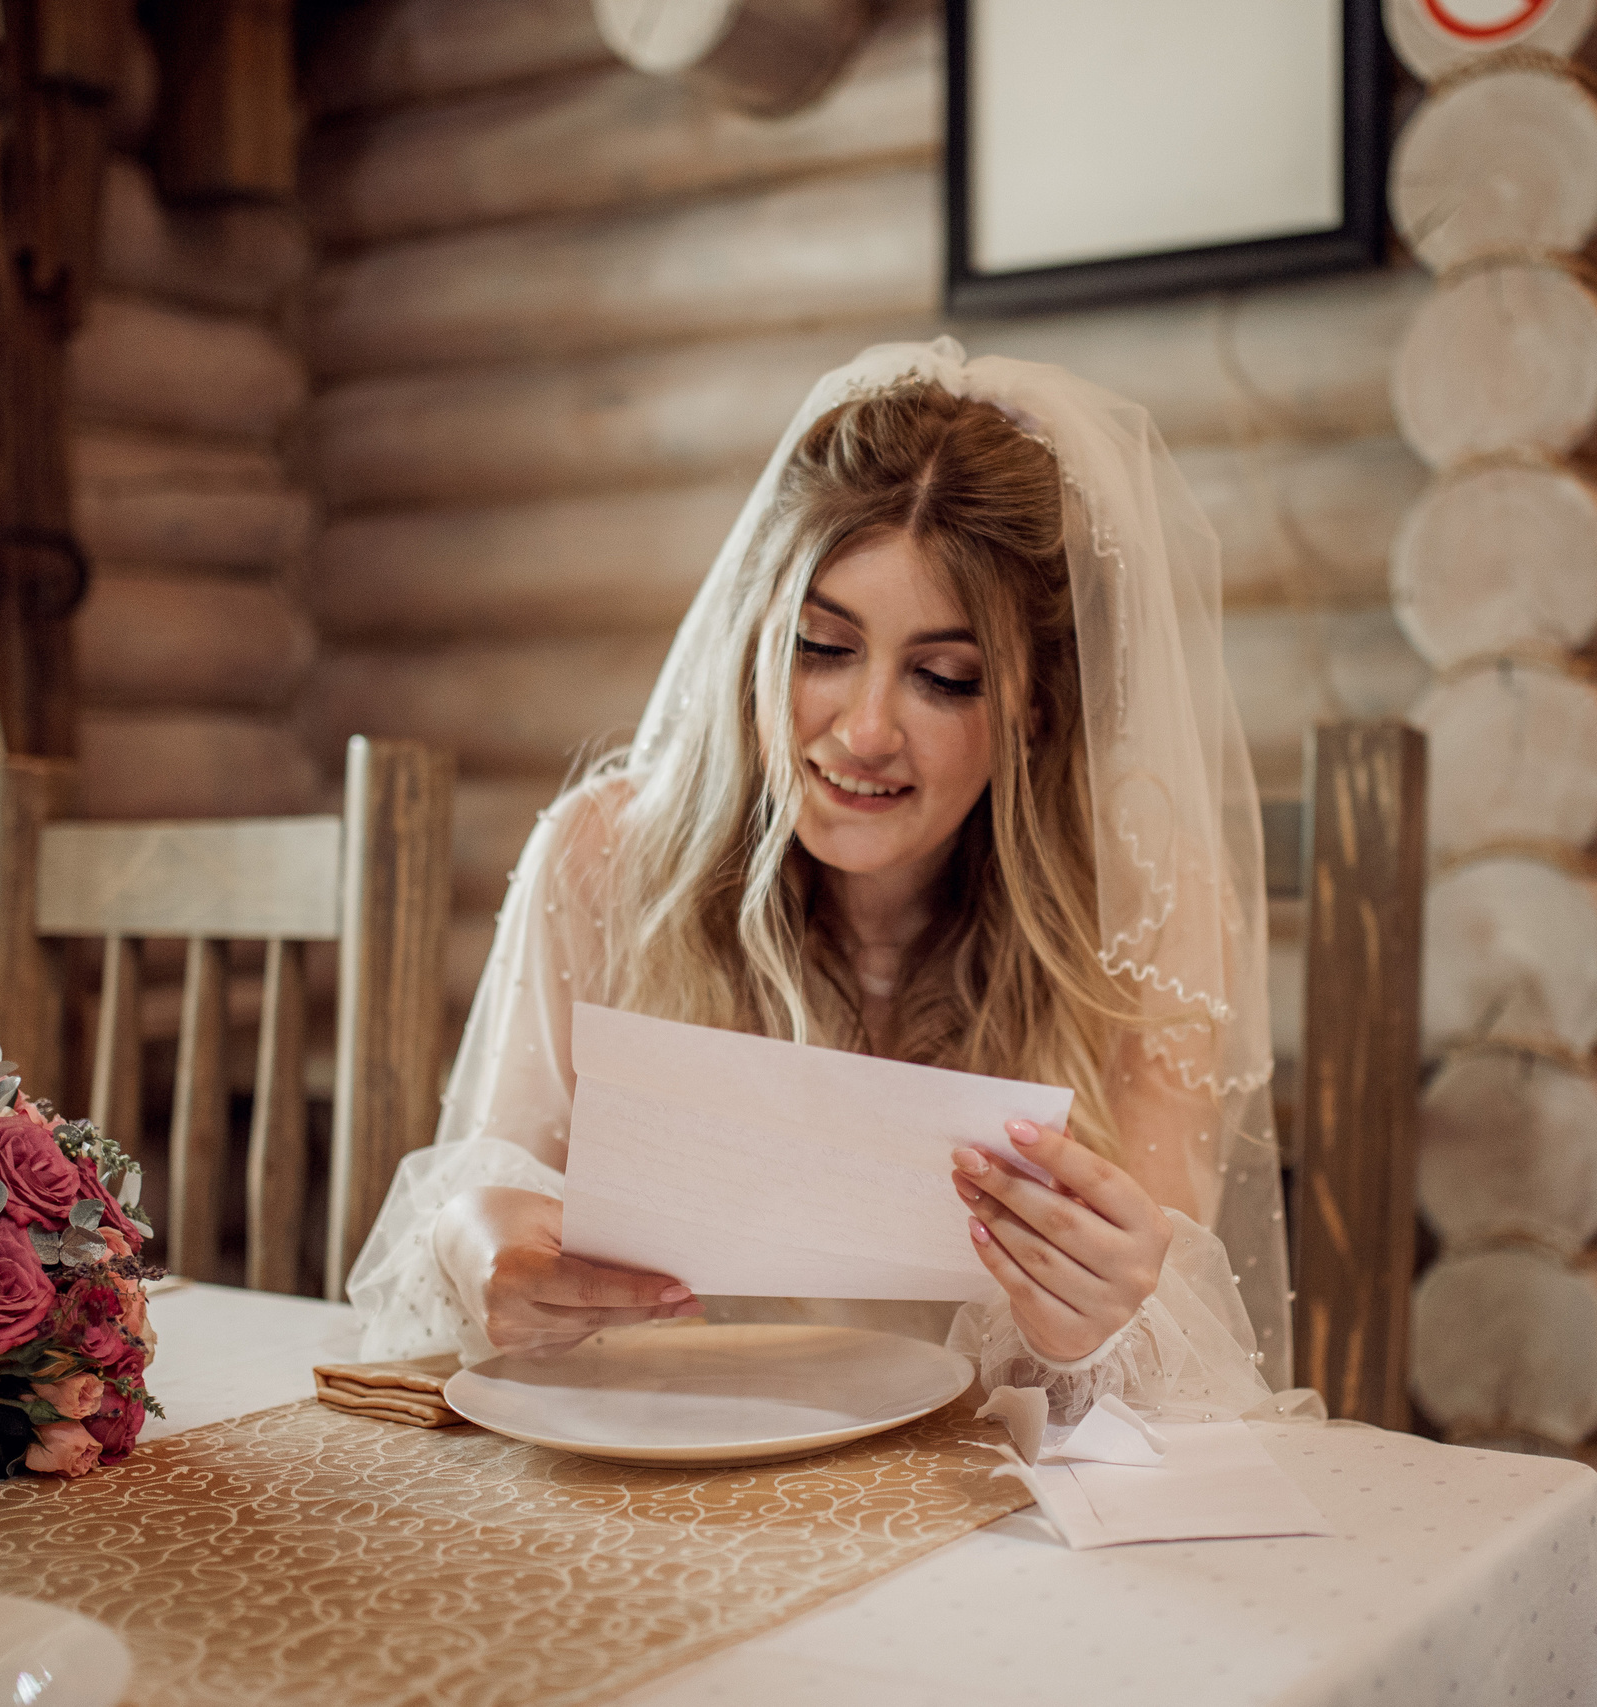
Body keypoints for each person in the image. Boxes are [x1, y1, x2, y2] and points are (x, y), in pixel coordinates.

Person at [348, 338, 1309, 1424]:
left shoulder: (1147, 908)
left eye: (944, 677)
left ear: (1036, 709)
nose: (865, 731)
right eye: (821, 647)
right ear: (756, 636)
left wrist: (1108, 1317)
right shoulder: (603, 855)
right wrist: (483, 1247)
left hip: (975, 1485)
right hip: (666, 1461)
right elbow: (496, 1183)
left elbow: (1168, 1350)